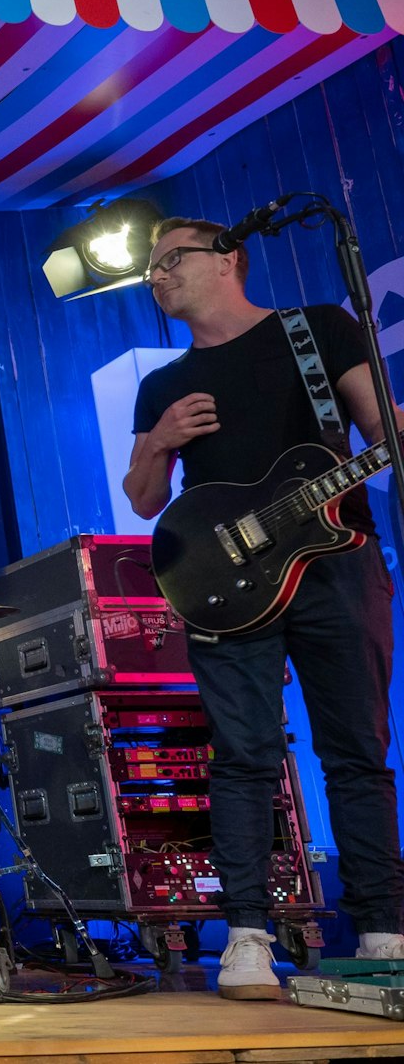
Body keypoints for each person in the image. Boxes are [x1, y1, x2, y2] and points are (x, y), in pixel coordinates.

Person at [123, 217, 404, 1000]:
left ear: (228, 259)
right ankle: (245, 936)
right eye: (151, 268)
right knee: (242, 755)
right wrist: (160, 441)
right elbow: (145, 499)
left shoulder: (317, 329)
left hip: (338, 564)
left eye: (169, 260)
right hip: (225, 580)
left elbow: (379, 428)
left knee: (356, 749)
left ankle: (383, 927)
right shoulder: (164, 383)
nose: (156, 276)